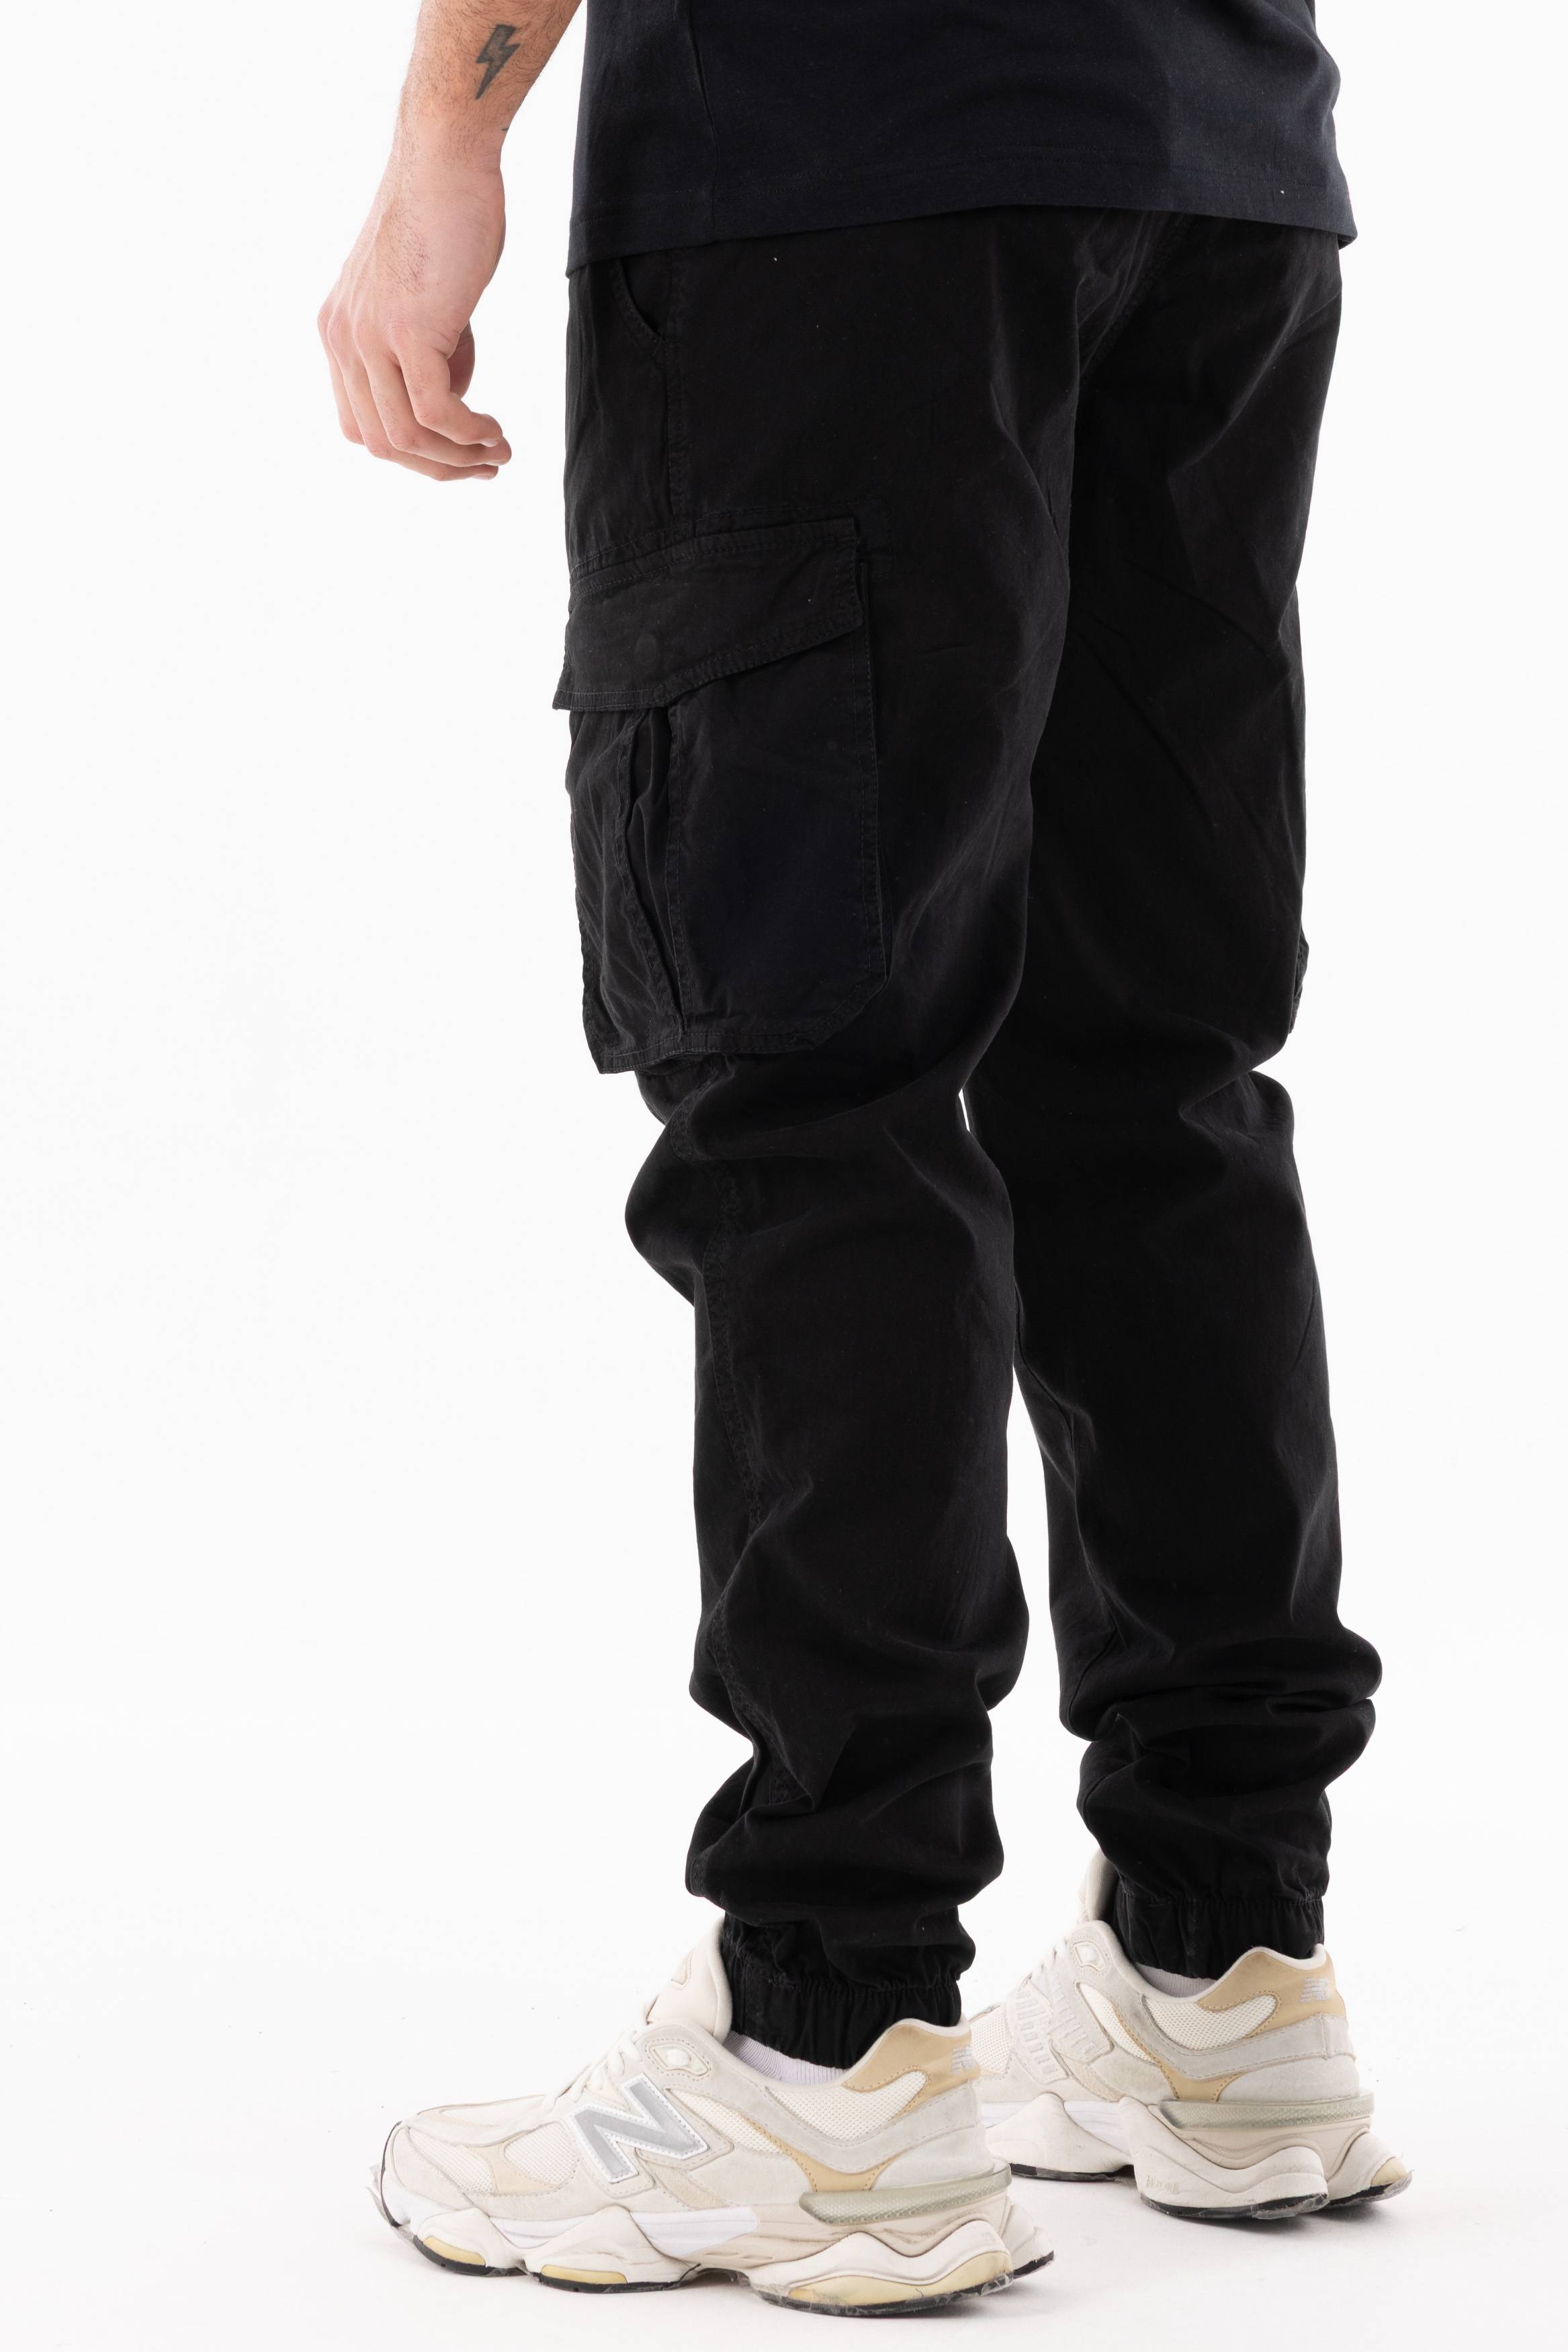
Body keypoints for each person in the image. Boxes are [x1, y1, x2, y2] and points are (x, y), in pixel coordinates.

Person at [322, 0, 1407, 2307]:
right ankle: (1225, 1961)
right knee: (1155, 1065)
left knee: (818, 1078)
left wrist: (443, 138)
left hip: (835, 160)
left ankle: (828, 2028)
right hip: (1217, 161)